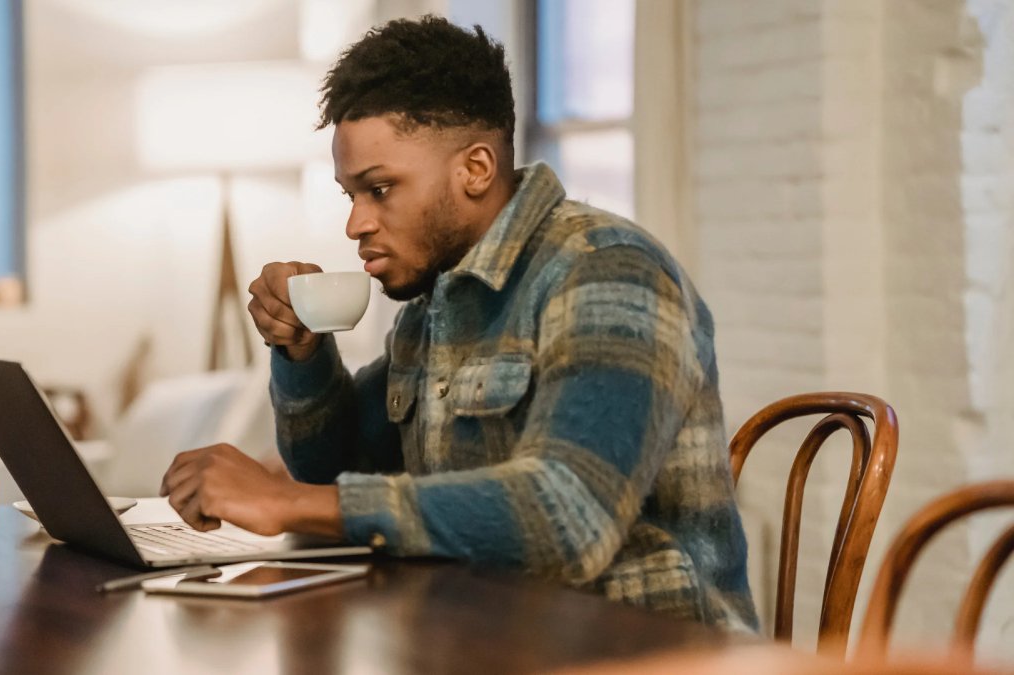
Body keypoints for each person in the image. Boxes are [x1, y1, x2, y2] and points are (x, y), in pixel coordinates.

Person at [160, 15, 757, 633]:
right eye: (351, 196)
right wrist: (303, 354)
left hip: (644, 649)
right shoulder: (438, 297)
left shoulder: (607, 271)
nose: (355, 224)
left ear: (475, 169)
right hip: (486, 634)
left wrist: (283, 500)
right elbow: (333, 470)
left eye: (381, 188)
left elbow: (569, 516)